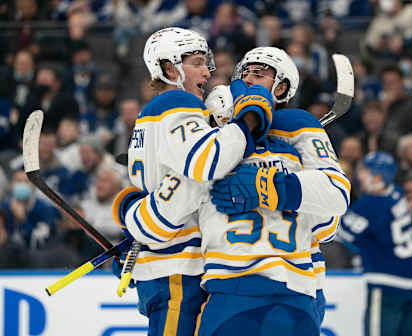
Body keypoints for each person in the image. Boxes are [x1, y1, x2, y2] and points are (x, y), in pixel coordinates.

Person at [113, 46, 350, 335]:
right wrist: (279, 189)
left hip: (235, 294)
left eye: (259, 74)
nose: (249, 80)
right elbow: (327, 225)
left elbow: (156, 222)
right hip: (299, 292)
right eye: (245, 73)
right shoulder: (290, 156)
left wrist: (129, 211)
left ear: (282, 86)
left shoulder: (214, 161)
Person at [110, 27, 274, 336]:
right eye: (197, 62)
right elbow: (207, 163)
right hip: (178, 270)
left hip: (167, 267)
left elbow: (166, 183)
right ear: (170, 68)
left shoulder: (159, 113)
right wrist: (247, 123)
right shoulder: (174, 102)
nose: (207, 71)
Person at [340, 152, 412, 336]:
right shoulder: (397, 193)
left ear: (378, 178)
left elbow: (342, 234)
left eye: (364, 171)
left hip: (389, 283)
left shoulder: (368, 206)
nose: (358, 176)